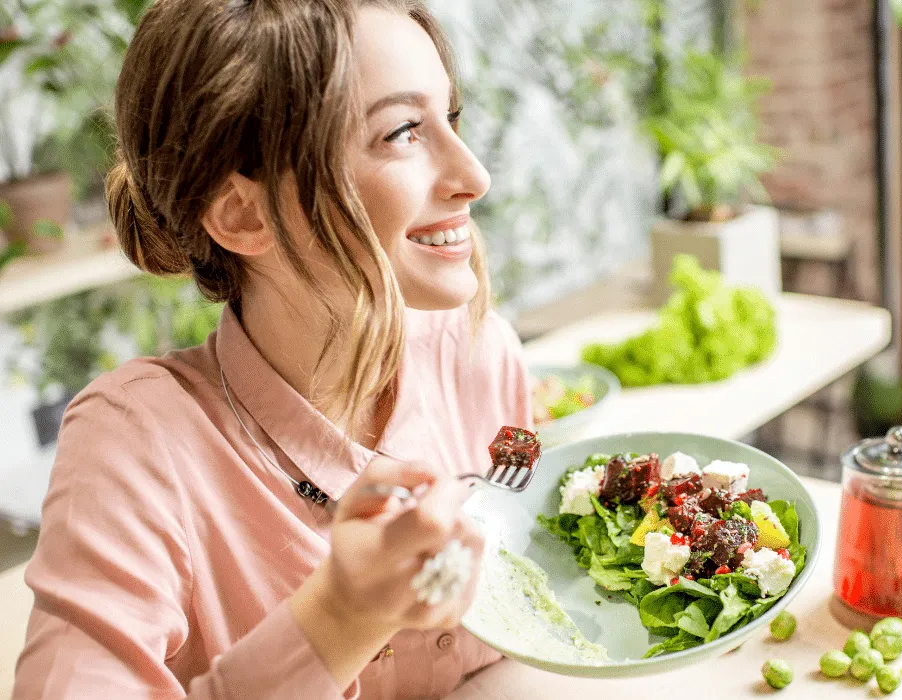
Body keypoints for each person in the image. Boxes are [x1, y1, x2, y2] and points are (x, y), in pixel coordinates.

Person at [13, 1, 531, 698]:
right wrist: (341, 617)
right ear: (243, 214)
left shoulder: (482, 355)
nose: (474, 174)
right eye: (404, 131)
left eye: (452, 118)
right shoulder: (135, 444)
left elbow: (532, 570)